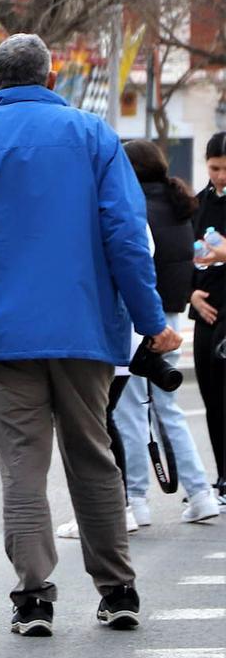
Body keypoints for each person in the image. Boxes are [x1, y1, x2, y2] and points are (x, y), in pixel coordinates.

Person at [0, 32, 176, 637]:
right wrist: (152, 321)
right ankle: (118, 590)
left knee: (22, 466)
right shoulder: (94, 137)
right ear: (52, 80)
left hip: (0, 331)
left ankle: (34, 598)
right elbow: (126, 237)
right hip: (84, 327)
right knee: (93, 455)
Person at [110, 140, 220, 525]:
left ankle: (135, 501)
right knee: (167, 411)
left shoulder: (133, 206)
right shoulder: (178, 206)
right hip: (170, 319)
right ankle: (201, 492)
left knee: (130, 414)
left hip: (142, 322)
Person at [188, 132, 226, 497]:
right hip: (205, 310)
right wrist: (192, 294)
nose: (220, 177)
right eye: (215, 168)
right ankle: (222, 475)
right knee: (212, 398)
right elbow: (181, 256)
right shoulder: (197, 204)